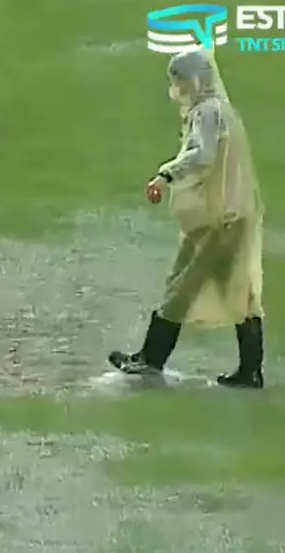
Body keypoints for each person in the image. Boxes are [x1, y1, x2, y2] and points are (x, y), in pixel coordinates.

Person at [108, 49, 265, 388]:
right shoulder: (224, 111)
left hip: (217, 220)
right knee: (239, 290)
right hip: (231, 216)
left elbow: (202, 155)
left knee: (182, 285)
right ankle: (251, 370)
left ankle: (151, 358)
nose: (177, 88)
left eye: (179, 80)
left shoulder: (206, 113)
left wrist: (166, 174)